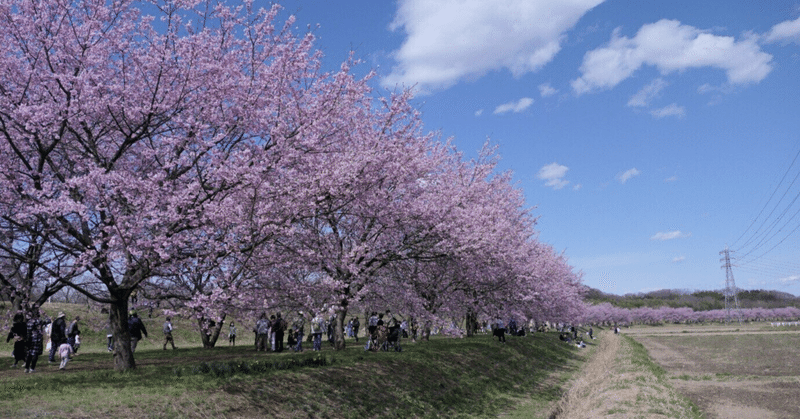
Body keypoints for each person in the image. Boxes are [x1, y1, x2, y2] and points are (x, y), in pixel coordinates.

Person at [24, 309, 44, 373]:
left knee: (29, 353)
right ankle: (32, 368)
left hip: (30, 339)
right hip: (37, 339)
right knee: (35, 353)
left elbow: (28, 331)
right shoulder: (39, 321)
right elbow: (47, 321)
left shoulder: (29, 321)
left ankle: (26, 368)